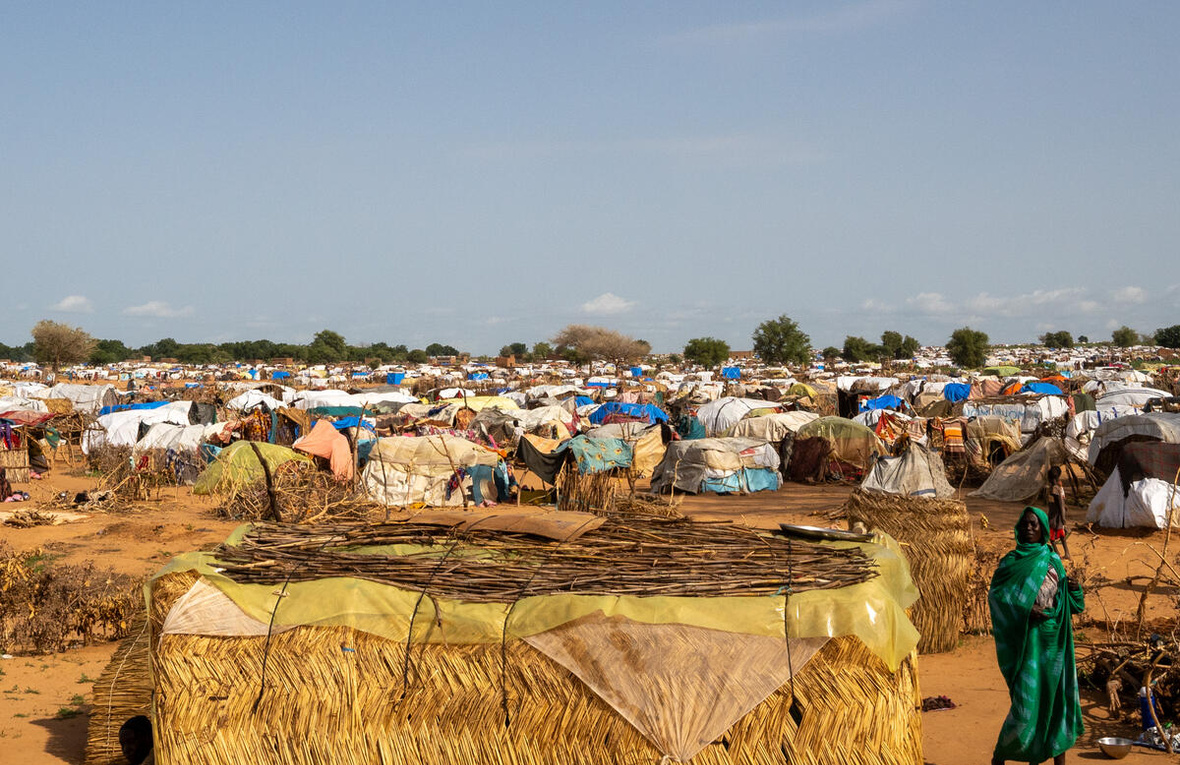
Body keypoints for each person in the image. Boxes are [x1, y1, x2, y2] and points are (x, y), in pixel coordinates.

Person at [989, 506, 1085, 765]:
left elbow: (1072, 605)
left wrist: (1075, 589)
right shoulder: (1011, 562)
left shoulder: (1052, 560)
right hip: (1026, 644)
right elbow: (997, 597)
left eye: (1034, 525)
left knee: (1055, 705)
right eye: (1025, 524)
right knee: (1024, 707)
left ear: (1043, 529)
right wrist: (1025, 608)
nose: (1029, 528)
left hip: (1054, 644)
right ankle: (1001, 755)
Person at [1045, 466, 1070, 559]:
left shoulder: (1055, 488)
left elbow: (1060, 503)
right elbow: (1062, 501)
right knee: (1060, 535)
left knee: (1052, 536)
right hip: (1056, 514)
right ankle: (1065, 553)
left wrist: (1063, 518)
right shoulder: (1057, 487)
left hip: (1055, 515)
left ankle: (1058, 553)